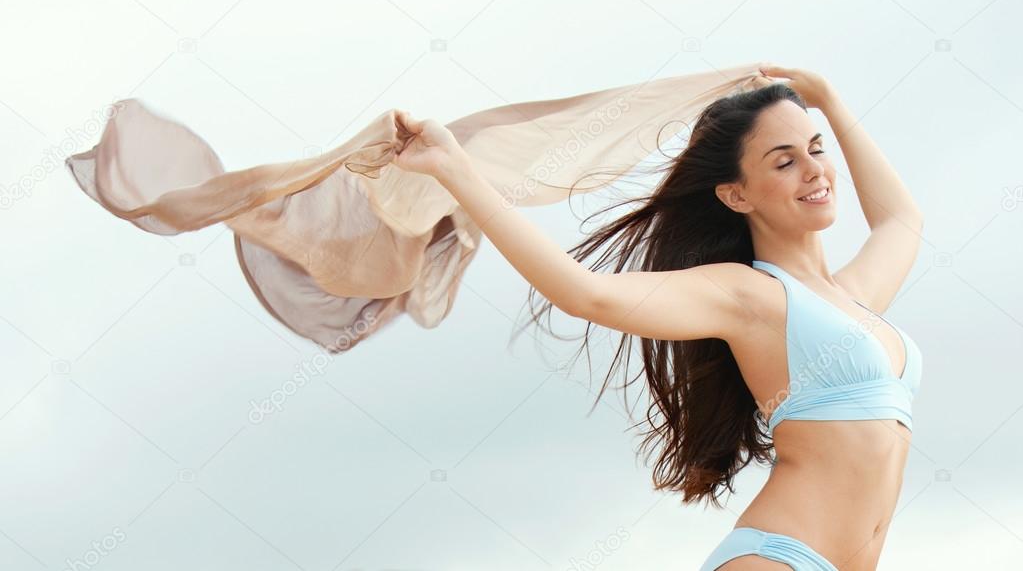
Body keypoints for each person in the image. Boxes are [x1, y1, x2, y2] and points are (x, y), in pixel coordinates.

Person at [391, 64, 924, 571]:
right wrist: (452, 167)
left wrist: (828, 99)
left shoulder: (855, 300)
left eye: (815, 149)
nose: (814, 170)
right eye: (784, 162)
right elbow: (585, 294)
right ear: (736, 194)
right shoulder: (747, 294)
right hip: (781, 557)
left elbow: (902, 219)